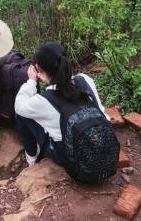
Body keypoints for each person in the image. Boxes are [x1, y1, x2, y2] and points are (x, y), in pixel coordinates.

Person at [15, 42, 118, 183]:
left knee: (22, 115)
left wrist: (31, 81)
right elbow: (100, 110)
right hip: (103, 147)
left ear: (38, 68)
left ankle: (32, 159)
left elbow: (18, 105)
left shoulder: (43, 100)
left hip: (72, 161)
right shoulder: (84, 79)